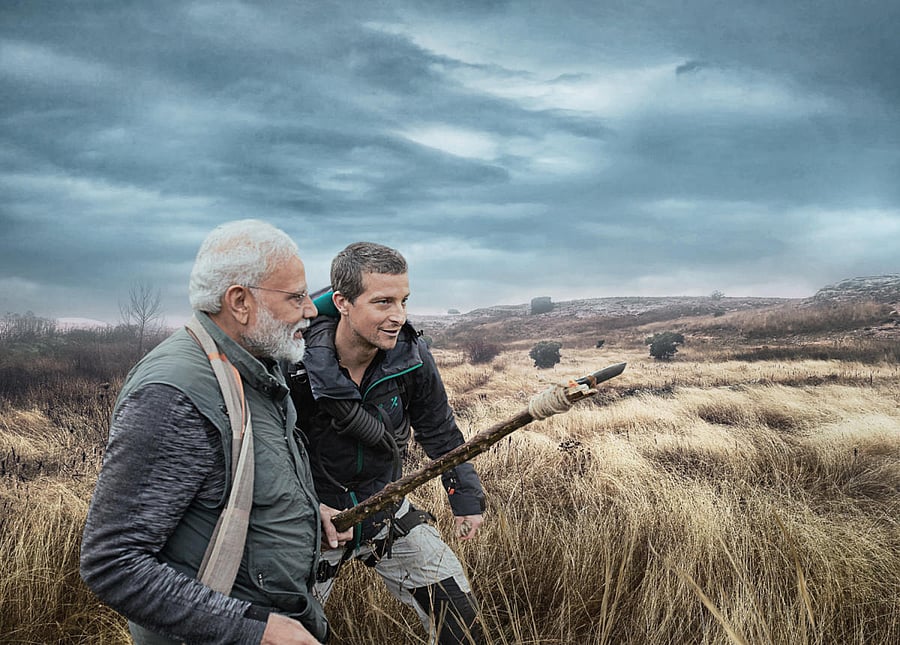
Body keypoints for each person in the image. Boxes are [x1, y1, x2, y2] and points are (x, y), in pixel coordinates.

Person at [80, 220, 351, 645]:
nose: (311, 310)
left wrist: (303, 511)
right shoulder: (175, 394)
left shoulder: (257, 366)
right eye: (296, 296)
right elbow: (113, 563)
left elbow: (234, 481)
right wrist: (255, 630)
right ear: (239, 302)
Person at [290, 242, 485, 645]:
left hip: (385, 511)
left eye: (403, 301)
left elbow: (439, 429)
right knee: (287, 635)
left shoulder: (412, 357)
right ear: (342, 302)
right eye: (383, 302)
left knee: (462, 627)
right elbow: (261, 455)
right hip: (311, 525)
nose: (398, 316)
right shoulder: (291, 365)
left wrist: (464, 497)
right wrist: (310, 508)